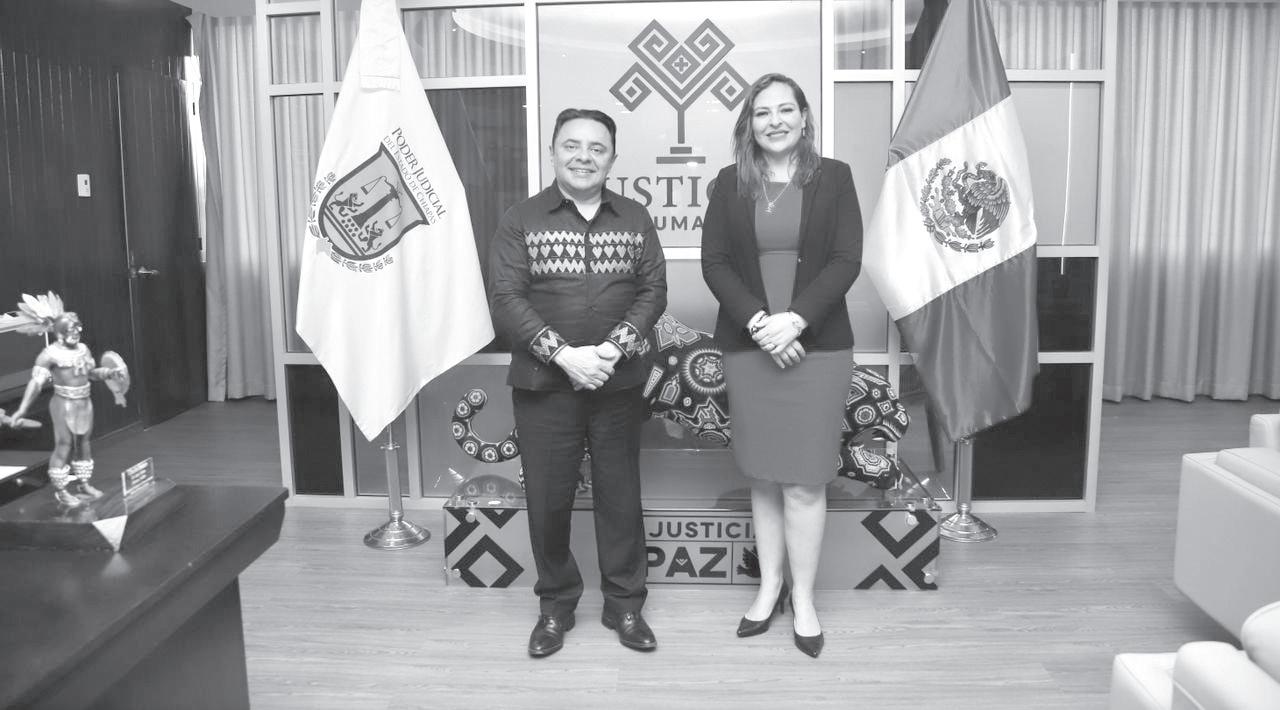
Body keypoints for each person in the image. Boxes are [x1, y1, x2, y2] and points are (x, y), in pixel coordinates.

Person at [489, 108, 668, 658]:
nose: (583, 157)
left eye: (596, 148)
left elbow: (653, 291)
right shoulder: (520, 219)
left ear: (612, 158)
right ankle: (555, 607)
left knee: (621, 497)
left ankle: (625, 605)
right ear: (553, 152)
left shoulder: (635, 217)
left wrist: (613, 349)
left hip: (617, 384)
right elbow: (506, 297)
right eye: (572, 145)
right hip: (544, 385)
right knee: (548, 500)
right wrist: (564, 355)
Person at [700, 73, 863, 658]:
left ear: (803, 116)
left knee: (805, 479)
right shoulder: (728, 183)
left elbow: (846, 259)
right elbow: (715, 263)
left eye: (785, 109)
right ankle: (769, 587)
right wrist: (760, 324)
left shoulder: (834, 177)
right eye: (762, 112)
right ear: (749, 123)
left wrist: (794, 321)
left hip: (817, 348)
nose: (775, 121)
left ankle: (805, 599)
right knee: (764, 475)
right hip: (751, 347)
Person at [7, 296, 128, 507]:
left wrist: (109, 373)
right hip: (63, 404)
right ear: (60, 332)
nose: (76, 332)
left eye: (77, 328)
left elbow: (91, 374)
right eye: (71, 329)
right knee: (64, 444)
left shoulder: (83, 349)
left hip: (84, 402)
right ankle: (61, 491)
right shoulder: (49, 355)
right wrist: (22, 409)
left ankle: (83, 483)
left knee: (83, 443)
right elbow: (36, 383)